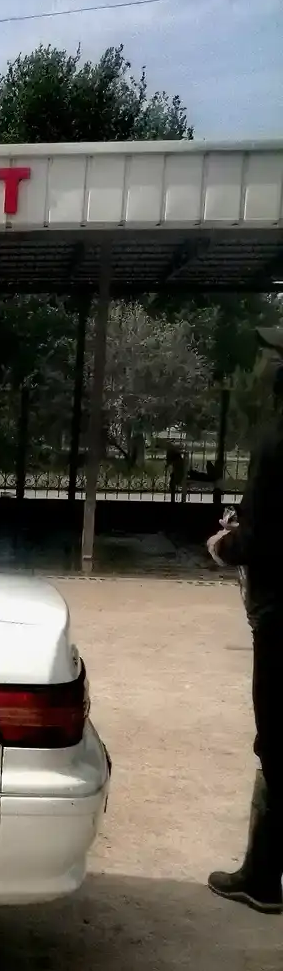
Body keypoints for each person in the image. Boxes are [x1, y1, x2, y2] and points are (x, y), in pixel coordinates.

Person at [206, 340, 283, 913]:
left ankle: (260, 879)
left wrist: (224, 543)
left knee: (277, 743)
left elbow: (262, 539)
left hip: (282, 611)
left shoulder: (276, 441)